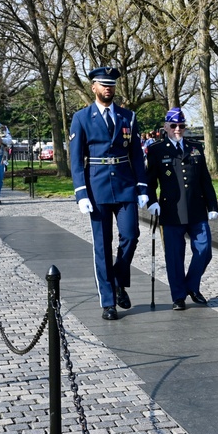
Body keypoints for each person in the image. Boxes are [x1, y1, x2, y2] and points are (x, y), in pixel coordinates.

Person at [69, 66, 149, 321]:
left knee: (131, 235)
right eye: (103, 84)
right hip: (97, 187)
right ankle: (108, 302)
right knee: (102, 247)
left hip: (125, 185)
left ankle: (117, 279)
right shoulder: (82, 118)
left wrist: (143, 187)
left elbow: (136, 154)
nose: (108, 88)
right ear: (93, 87)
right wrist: (81, 193)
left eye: (111, 84)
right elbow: (75, 159)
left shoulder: (128, 117)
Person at [145, 108, 218, 309]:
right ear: (166, 127)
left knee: (204, 250)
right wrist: (151, 202)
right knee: (174, 256)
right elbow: (149, 182)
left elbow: (205, 179)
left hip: (196, 207)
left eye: (182, 126)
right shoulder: (156, 150)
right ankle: (178, 296)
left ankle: (192, 286)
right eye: (174, 125)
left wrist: (212, 205)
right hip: (171, 211)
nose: (178, 129)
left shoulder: (196, 147)